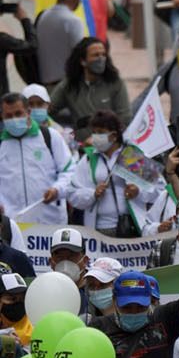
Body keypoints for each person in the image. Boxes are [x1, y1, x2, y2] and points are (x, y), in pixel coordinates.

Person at [64, 113, 161, 238]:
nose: (95, 137)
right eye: (94, 132)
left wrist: (138, 191)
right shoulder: (89, 159)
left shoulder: (131, 156)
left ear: (114, 135)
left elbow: (159, 190)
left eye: (100, 132)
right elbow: (72, 193)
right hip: (98, 232)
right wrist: (92, 194)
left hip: (131, 229)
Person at [0, 93, 73, 223]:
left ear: (28, 112)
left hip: (50, 221)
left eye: (18, 114)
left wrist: (57, 189)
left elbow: (69, 170)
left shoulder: (49, 136)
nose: (14, 119)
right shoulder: (1, 143)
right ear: (2, 116)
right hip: (12, 225)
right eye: (8, 116)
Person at [49, 39, 130, 128]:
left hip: (110, 140)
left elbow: (125, 118)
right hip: (81, 141)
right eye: (96, 55)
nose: (101, 59)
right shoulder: (69, 85)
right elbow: (48, 110)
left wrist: (104, 137)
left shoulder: (116, 82)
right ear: (83, 61)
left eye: (103, 55)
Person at [33, 0, 90, 88]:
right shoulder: (73, 21)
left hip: (43, 84)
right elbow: (80, 56)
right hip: (65, 87)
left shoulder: (43, 16)